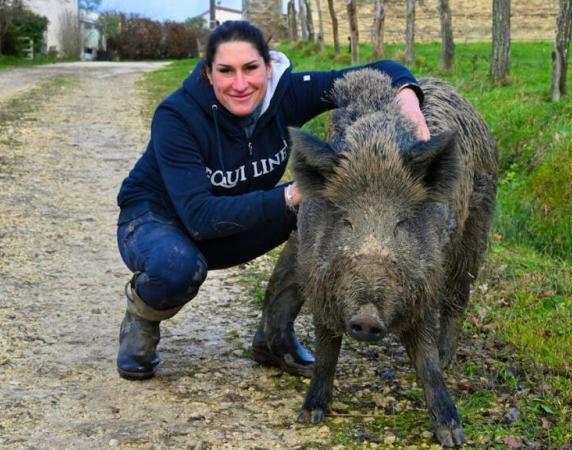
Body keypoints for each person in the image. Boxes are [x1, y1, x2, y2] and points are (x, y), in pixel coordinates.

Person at [115, 20, 430, 380]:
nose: (240, 84)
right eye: (225, 71)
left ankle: (274, 334)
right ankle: (142, 317)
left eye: (251, 68)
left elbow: (380, 72)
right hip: (159, 221)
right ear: (207, 73)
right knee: (176, 266)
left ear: (268, 67)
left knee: (318, 210)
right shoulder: (178, 116)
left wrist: (408, 102)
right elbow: (199, 217)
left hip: (230, 221)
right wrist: (292, 193)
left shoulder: (287, 94)